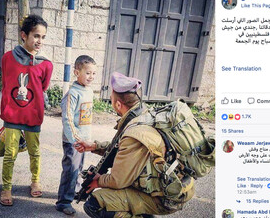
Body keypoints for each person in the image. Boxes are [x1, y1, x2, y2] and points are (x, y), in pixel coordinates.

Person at [74, 72, 194, 218]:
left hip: (166, 197)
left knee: (96, 203)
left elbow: (117, 180)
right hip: (173, 186)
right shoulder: (144, 115)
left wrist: (98, 181)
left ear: (118, 104)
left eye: (111, 98)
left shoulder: (135, 132)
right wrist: (95, 146)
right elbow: (120, 148)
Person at [0, 14, 53, 206]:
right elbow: (6, 83)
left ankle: (35, 181)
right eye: (36, 36)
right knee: (10, 153)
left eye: (43, 37)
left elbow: (43, 87)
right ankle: (6, 188)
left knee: (34, 151)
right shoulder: (8, 58)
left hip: (33, 114)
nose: (40, 41)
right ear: (24, 35)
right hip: (13, 114)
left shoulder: (46, 64)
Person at [55, 55, 97, 215]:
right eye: (87, 73)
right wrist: (75, 139)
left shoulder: (89, 91)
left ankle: (76, 192)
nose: (91, 77)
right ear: (76, 72)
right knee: (71, 169)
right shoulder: (72, 93)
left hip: (84, 140)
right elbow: (67, 118)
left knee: (79, 169)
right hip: (73, 141)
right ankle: (63, 202)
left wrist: (86, 139)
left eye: (93, 73)